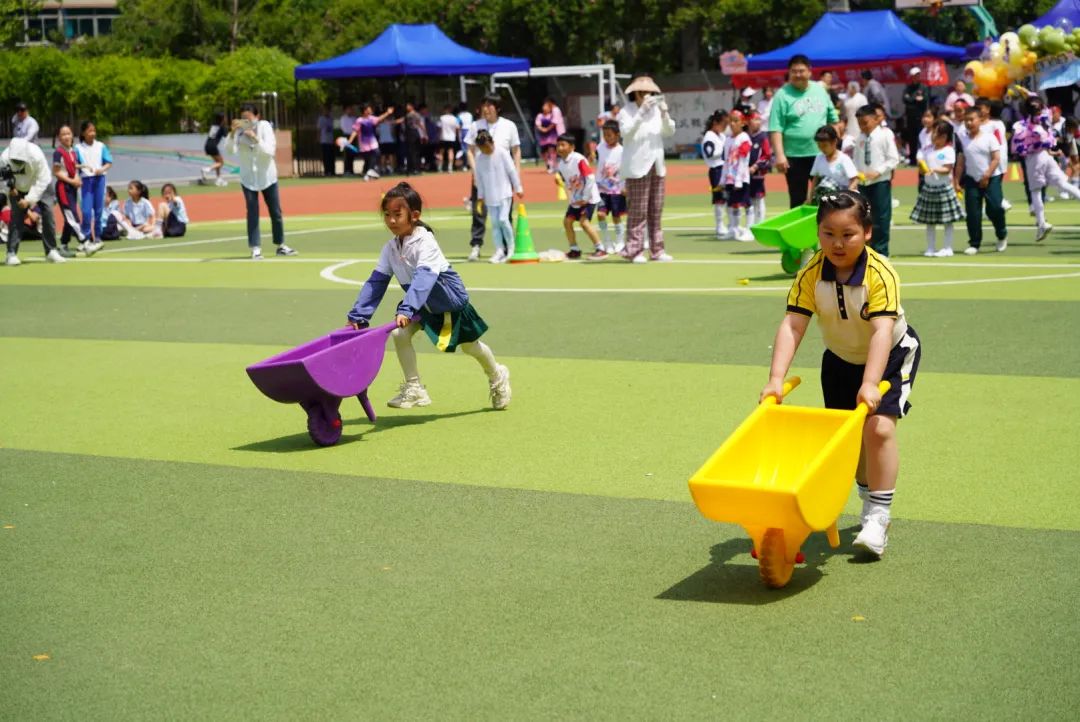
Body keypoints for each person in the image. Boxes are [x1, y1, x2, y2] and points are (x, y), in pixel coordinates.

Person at [762, 190, 921, 558]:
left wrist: (870, 382)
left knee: (878, 428)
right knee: (850, 445)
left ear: (866, 232)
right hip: (838, 360)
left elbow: (882, 330)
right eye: (827, 233)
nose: (836, 243)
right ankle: (868, 496)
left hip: (891, 356)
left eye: (847, 234)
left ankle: (878, 517)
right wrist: (775, 378)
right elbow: (793, 324)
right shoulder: (811, 273)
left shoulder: (881, 274)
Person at [345, 182, 512, 411]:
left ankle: (497, 377)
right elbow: (376, 282)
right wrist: (359, 316)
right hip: (422, 306)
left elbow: (424, 279)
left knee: (471, 347)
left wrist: (406, 309)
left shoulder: (426, 242)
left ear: (414, 215)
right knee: (399, 333)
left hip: (448, 303)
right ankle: (415, 389)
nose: (391, 220)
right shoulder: (390, 248)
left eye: (397, 214)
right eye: (387, 215)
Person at [617, 75, 676, 263]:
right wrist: (641, 113)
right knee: (638, 210)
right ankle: (634, 250)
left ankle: (657, 250)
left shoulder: (657, 111)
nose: (647, 96)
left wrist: (665, 113)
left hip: (656, 164)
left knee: (656, 209)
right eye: (643, 93)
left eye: (650, 93)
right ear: (635, 93)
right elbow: (626, 133)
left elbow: (669, 132)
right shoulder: (626, 111)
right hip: (637, 166)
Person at [770, 55, 840, 208]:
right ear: (789, 73)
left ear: (809, 71)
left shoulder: (820, 90)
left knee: (827, 196)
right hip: (794, 156)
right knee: (798, 199)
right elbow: (775, 127)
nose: (798, 75)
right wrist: (780, 155)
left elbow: (833, 119)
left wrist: (836, 147)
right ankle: (799, 232)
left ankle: (825, 231)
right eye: (794, 71)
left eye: (801, 71)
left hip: (822, 153)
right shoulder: (782, 95)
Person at [228, 103, 297, 260]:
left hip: (267, 177)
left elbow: (269, 151)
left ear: (257, 117)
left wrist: (255, 138)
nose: (246, 121)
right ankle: (255, 248)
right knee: (252, 213)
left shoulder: (265, 127)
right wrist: (232, 133)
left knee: (276, 212)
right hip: (248, 178)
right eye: (243, 118)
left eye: (249, 118)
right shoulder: (238, 132)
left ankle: (280, 245)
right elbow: (230, 150)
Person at [1011, 98, 1080, 243]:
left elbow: (1017, 147)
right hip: (1046, 156)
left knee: (1035, 191)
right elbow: (1044, 111)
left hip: (1034, 158)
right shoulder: (1045, 119)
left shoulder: (1021, 126)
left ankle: (1042, 223)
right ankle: (1042, 223)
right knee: (1063, 184)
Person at [464, 94, 523, 261]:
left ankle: (506, 247)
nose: (486, 109)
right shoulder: (476, 125)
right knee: (479, 211)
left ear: (497, 108)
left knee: (504, 214)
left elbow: (516, 150)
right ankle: (476, 245)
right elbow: (469, 149)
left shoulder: (508, 126)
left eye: (490, 106)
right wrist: (475, 171)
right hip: (481, 174)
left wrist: (517, 173)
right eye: (484, 105)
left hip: (503, 175)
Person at [2, 138, 66, 265]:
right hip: (18, 187)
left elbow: (42, 181)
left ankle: (51, 251)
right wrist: (10, 188)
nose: (18, 162)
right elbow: (3, 178)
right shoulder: (3, 158)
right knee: (16, 218)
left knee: (48, 213)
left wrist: (29, 200)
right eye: (15, 160)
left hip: (40, 184)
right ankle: (11, 253)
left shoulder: (37, 156)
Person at [955, 106, 1007, 255]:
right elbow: (960, 161)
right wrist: (956, 181)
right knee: (973, 213)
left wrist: (987, 175)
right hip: (972, 179)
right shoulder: (963, 138)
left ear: (980, 120)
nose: (969, 123)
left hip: (991, 177)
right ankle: (974, 243)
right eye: (966, 120)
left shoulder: (989, 137)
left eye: (972, 119)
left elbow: (996, 158)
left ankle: (1001, 234)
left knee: (995, 207)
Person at [912, 120, 964, 257]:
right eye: (934, 133)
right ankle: (930, 248)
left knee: (947, 221)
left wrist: (932, 169)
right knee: (930, 222)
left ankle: (948, 248)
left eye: (939, 134)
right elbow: (921, 163)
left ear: (946, 137)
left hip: (944, 188)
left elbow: (947, 169)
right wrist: (921, 165)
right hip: (929, 188)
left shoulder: (948, 151)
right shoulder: (927, 149)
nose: (935, 136)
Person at [854, 105, 900, 256]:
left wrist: (878, 172)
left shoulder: (885, 135)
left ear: (875, 119)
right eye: (860, 123)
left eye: (865, 122)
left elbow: (893, 159)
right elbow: (856, 159)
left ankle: (881, 251)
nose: (863, 126)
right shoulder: (860, 137)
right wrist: (857, 173)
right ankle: (867, 250)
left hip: (880, 182)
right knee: (864, 217)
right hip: (863, 183)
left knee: (881, 217)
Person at [472, 129, 523, 263]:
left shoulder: (502, 153)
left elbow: (512, 171)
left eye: (487, 147)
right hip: (490, 196)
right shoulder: (479, 158)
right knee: (494, 223)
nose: (486, 151)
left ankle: (511, 249)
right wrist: (480, 196)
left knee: (503, 220)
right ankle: (499, 250)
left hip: (504, 193)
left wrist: (518, 187)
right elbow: (480, 178)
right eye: (482, 148)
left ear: (492, 142)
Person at [555, 133, 605, 259]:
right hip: (577, 199)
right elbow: (568, 183)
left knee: (584, 222)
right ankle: (574, 249)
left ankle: (600, 249)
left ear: (572, 147)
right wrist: (572, 199)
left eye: (563, 145)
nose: (559, 148)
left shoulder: (578, 159)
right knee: (567, 222)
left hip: (589, 197)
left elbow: (590, 177)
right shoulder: (561, 164)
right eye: (558, 145)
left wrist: (585, 198)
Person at [52, 124, 100, 256]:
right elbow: (56, 171)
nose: (67, 136)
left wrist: (83, 166)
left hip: (71, 188)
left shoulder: (72, 151)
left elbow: (72, 165)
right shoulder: (58, 152)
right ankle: (85, 242)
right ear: (59, 138)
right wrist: (72, 181)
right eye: (63, 134)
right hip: (63, 188)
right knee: (73, 217)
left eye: (68, 133)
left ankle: (63, 245)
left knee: (70, 217)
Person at [75, 120, 111, 242]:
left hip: (99, 179)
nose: (92, 133)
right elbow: (73, 164)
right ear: (83, 133)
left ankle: (98, 236)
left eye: (94, 131)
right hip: (86, 181)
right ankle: (86, 235)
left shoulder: (101, 146)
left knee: (99, 210)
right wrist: (83, 167)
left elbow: (109, 162)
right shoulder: (78, 148)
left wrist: (101, 170)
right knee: (86, 211)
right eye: (89, 131)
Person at [723, 110, 754, 242]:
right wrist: (723, 178)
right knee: (732, 203)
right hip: (730, 177)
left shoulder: (745, 138)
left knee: (746, 202)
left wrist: (739, 181)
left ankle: (749, 229)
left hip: (741, 178)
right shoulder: (728, 139)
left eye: (736, 121)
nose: (732, 124)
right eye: (730, 120)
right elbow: (726, 160)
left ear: (742, 123)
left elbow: (742, 159)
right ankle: (733, 229)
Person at [595, 120, 627, 254]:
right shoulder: (600, 147)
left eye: (609, 135)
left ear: (618, 135)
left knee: (616, 216)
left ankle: (620, 241)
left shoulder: (622, 151)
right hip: (601, 188)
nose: (607, 138)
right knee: (601, 214)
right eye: (605, 135)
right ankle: (607, 241)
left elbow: (625, 169)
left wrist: (625, 186)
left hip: (617, 189)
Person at [810, 124, 859, 204]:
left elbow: (855, 179)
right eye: (819, 146)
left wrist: (846, 196)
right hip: (825, 197)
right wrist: (809, 198)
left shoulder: (844, 159)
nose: (822, 149)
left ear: (834, 142)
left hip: (843, 196)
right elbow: (815, 179)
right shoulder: (819, 157)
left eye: (825, 146)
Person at [346, 103, 394, 180]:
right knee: (368, 159)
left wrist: (387, 113)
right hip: (364, 144)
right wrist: (350, 141)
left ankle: (370, 172)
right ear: (365, 111)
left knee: (376, 153)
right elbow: (355, 131)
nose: (370, 110)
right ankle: (368, 173)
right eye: (369, 109)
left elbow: (379, 118)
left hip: (372, 141)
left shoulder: (371, 118)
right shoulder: (359, 120)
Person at [702, 110, 729, 238]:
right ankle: (719, 225)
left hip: (725, 168)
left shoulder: (722, 136)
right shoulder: (709, 136)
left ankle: (729, 224)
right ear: (715, 122)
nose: (725, 126)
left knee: (728, 197)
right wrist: (725, 151)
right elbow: (710, 154)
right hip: (716, 170)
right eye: (723, 123)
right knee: (719, 198)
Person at [747, 111, 772, 227]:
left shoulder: (763, 137)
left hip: (758, 172)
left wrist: (756, 166)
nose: (757, 122)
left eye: (759, 120)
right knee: (750, 198)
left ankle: (760, 222)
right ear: (748, 121)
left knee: (759, 197)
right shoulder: (746, 136)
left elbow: (766, 155)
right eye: (754, 119)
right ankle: (751, 223)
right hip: (746, 173)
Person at [902, 68, 931, 165]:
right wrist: (915, 99)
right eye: (914, 75)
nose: (916, 77)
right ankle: (913, 159)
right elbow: (905, 99)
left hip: (921, 117)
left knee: (922, 137)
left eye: (918, 75)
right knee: (912, 139)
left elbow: (925, 99)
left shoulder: (924, 87)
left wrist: (912, 99)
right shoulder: (908, 88)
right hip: (910, 118)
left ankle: (923, 158)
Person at [202, 112, 228, 186]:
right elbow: (226, 136)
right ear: (222, 119)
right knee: (221, 162)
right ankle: (207, 169)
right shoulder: (222, 127)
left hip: (207, 145)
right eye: (225, 117)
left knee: (217, 163)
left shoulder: (213, 126)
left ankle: (218, 179)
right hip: (213, 146)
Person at [377, 106, 399, 175]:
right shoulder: (390, 122)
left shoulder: (379, 124)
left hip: (382, 141)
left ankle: (383, 169)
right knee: (390, 155)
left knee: (383, 155)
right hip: (390, 140)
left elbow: (377, 133)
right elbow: (393, 131)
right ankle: (391, 169)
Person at [438, 105, 460, 173]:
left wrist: (439, 136)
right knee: (450, 151)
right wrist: (457, 136)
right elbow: (457, 128)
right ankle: (450, 167)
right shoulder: (454, 118)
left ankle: (440, 168)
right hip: (451, 137)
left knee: (441, 152)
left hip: (443, 137)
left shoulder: (442, 118)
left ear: (445, 110)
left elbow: (439, 128)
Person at [317, 106, 336, 177]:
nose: (327, 112)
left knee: (331, 157)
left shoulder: (331, 118)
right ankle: (327, 171)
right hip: (324, 140)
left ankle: (332, 171)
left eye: (328, 110)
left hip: (331, 140)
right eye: (325, 110)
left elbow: (333, 129)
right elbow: (318, 129)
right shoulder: (321, 119)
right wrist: (318, 139)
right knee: (326, 157)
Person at [339, 105, 357, 175]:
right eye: (348, 109)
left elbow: (355, 128)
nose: (350, 111)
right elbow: (343, 128)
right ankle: (346, 170)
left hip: (353, 136)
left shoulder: (354, 118)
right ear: (345, 110)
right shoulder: (343, 118)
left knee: (352, 153)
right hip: (346, 136)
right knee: (346, 154)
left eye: (351, 109)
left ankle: (351, 170)